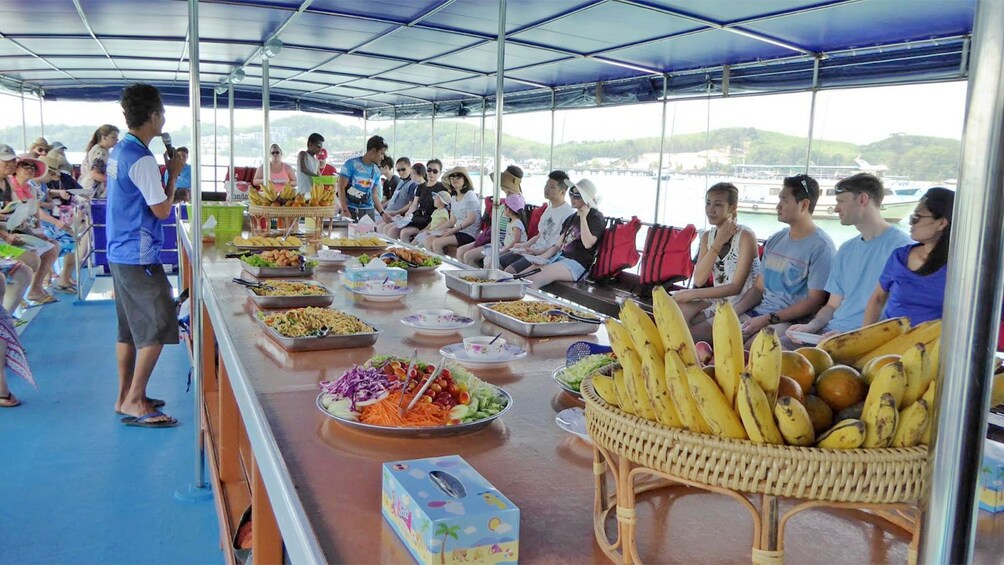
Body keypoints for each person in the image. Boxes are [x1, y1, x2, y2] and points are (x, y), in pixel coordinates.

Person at [106, 83, 184, 428]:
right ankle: (136, 400)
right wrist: (175, 175)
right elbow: (162, 209)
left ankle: (124, 397)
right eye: (162, 112)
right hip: (138, 255)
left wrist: (165, 173)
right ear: (153, 116)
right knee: (158, 323)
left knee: (128, 330)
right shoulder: (142, 160)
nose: (164, 117)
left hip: (119, 251)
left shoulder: (120, 151)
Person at [786, 173, 912, 343]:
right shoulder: (846, 249)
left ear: (862, 199)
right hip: (830, 333)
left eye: (841, 201)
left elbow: (901, 312)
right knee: (774, 348)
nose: (836, 208)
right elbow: (832, 305)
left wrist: (853, 337)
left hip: (869, 339)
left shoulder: (903, 249)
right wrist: (810, 327)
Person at [732, 174, 835, 346]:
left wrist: (768, 319)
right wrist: (732, 312)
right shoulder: (775, 239)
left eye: (784, 200)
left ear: (804, 204)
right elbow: (758, 289)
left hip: (789, 322)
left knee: (751, 349)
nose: (778, 206)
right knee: (707, 332)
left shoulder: (822, 247)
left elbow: (814, 301)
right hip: (759, 313)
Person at [672, 183, 761, 343]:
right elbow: (699, 279)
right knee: (676, 311)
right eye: (708, 203)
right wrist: (718, 242)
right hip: (718, 299)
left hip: (744, 303)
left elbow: (736, 287)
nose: (710, 209)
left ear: (732, 207)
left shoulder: (746, 236)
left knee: (689, 336)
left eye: (718, 204)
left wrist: (691, 294)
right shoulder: (708, 236)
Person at [862, 188, 954, 326]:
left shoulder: (959, 268)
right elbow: (877, 299)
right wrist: (865, 339)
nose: (911, 222)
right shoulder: (899, 257)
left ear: (941, 223)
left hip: (933, 344)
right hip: (890, 338)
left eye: (916, 217)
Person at [519, 178, 605, 289]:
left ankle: (529, 306)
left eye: (577, 195)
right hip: (559, 258)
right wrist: (541, 258)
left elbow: (588, 244)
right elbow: (557, 245)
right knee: (522, 277)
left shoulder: (596, 217)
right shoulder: (571, 218)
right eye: (571, 193)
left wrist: (583, 218)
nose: (572, 198)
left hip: (577, 264)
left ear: (587, 199)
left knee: (535, 280)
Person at [6, 155, 63, 305]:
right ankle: (16, 296)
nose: (30, 170)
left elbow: (36, 212)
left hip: (25, 231)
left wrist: (39, 232)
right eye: (26, 166)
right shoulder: (8, 186)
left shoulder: (32, 188)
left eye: (33, 168)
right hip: (11, 233)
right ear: (16, 168)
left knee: (53, 247)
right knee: (32, 258)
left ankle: (35, 290)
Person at [502, 170, 575, 274]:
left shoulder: (568, 213)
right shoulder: (548, 209)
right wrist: (524, 245)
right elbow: (539, 235)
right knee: (498, 261)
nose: (547, 189)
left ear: (562, 192)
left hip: (545, 256)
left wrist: (536, 252)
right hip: (532, 251)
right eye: (546, 185)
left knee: (509, 271)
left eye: (552, 187)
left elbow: (559, 246)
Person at [459, 165, 523, 265]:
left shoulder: (516, 202)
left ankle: (475, 278)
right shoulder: (505, 202)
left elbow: (511, 233)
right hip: (492, 238)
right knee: (461, 251)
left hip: (501, 242)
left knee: (468, 256)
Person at [39, 154, 83, 293]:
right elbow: (37, 209)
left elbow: (47, 197)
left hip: (50, 220)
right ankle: (43, 283)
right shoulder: (34, 185)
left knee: (72, 241)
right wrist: (58, 223)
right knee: (48, 247)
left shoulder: (42, 185)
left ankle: (63, 278)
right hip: (43, 223)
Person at [461, 193, 527, 267]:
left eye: (504, 207)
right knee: (484, 258)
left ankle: (481, 276)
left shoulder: (516, 223)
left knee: (487, 259)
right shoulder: (512, 222)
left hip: (511, 248)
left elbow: (515, 240)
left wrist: (505, 249)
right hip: (506, 246)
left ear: (508, 209)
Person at [429, 167, 481, 256]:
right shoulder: (453, 197)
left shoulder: (469, 195)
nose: (454, 180)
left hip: (470, 233)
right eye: (452, 178)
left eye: (458, 177)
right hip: (458, 231)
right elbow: (452, 220)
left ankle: (441, 266)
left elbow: (471, 219)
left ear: (465, 179)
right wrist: (435, 229)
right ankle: (432, 265)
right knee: (428, 239)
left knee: (437, 243)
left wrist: (452, 230)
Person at [337, 135, 387, 221]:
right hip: (350, 210)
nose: (382, 157)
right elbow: (341, 187)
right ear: (374, 151)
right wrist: (344, 209)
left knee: (370, 235)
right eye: (381, 153)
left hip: (368, 212)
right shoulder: (351, 164)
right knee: (349, 234)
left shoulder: (376, 171)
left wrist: (382, 213)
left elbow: (374, 195)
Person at [398, 159, 446, 243]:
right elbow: (414, 205)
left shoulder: (442, 188)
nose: (431, 173)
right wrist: (406, 215)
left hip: (431, 220)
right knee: (393, 230)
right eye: (429, 170)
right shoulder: (420, 187)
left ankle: (410, 253)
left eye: (435, 171)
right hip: (419, 217)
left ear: (440, 173)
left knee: (404, 232)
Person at [79, 124, 120, 198]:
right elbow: (94, 174)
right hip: (93, 193)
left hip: (86, 190)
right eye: (113, 137)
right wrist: (115, 181)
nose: (117, 140)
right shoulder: (101, 153)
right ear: (104, 137)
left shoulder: (96, 149)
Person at [379, 157, 417, 234]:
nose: (401, 172)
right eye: (398, 170)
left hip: (398, 215)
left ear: (410, 168)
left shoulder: (413, 184)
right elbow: (391, 199)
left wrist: (395, 213)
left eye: (403, 169)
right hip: (389, 213)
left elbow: (411, 205)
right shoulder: (401, 182)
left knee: (383, 228)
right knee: (373, 224)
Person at [296, 133, 323, 197]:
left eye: (321, 147)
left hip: (313, 193)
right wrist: (316, 176)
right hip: (302, 192)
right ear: (310, 144)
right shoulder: (303, 154)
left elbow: (319, 176)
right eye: (318, 146)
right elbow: (303, 169)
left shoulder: (317, 161)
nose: (320, 149)